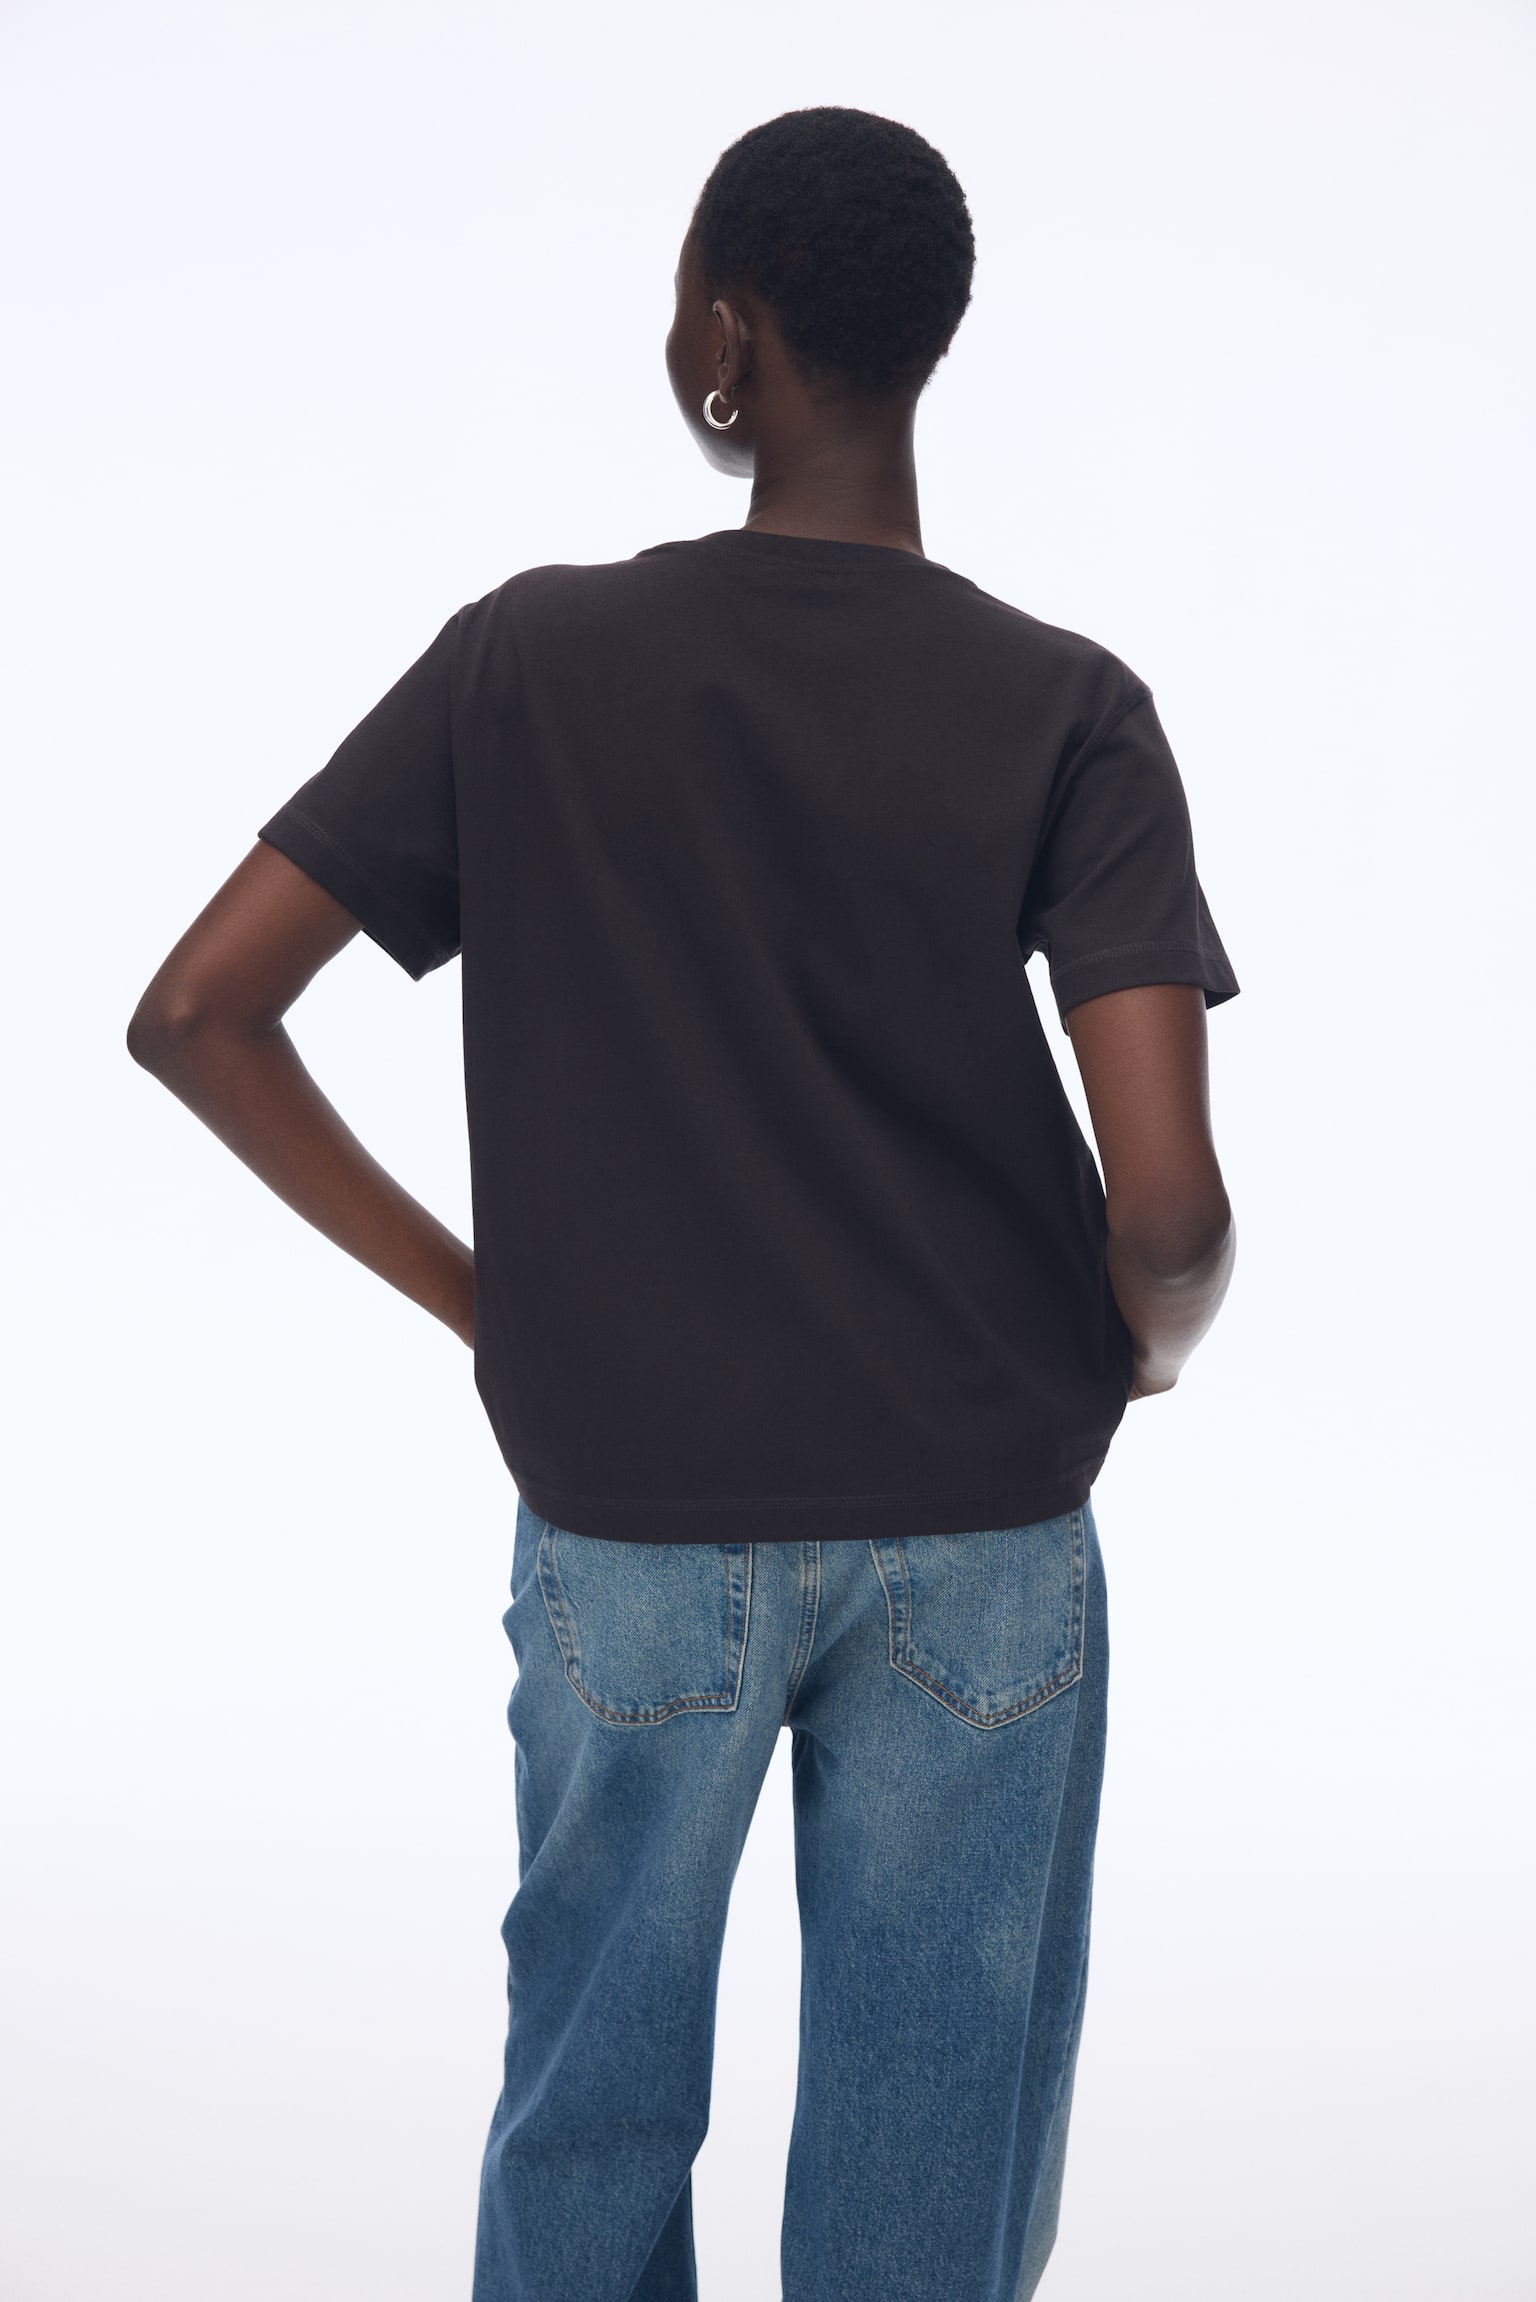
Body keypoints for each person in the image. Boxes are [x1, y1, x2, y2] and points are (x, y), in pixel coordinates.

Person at [128, 104, 1237, 2302]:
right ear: (925, 346)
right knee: (934, 2131)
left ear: (729, 334)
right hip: (980, 1513)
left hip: (629, 1513)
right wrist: (1150, 1349)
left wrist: (490, 1299)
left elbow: (198, 1013)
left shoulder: (526, 659)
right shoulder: (1068, 705)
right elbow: (1177, 1212)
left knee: (593, 2103)